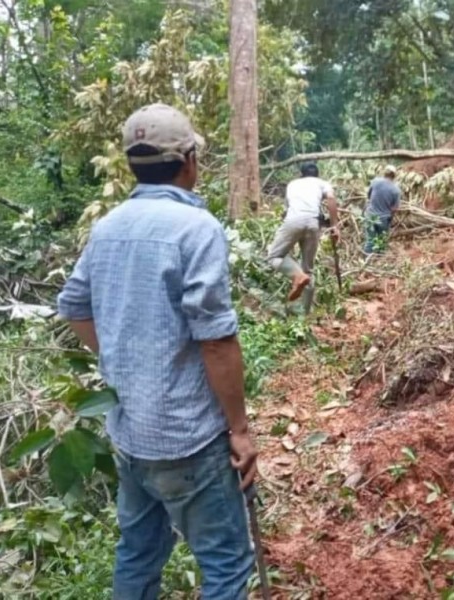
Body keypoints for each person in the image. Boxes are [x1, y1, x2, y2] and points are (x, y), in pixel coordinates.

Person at [56, 103, 257, 600]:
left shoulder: (106, 228)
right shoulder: (196, 229)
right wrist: (240, 429)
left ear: (131, 165)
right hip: (187, 437)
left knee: (139, 552)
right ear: (189, 159)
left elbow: (74, 305)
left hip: (130, 433)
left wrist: (120, 358)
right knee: (227, 565)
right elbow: (215, 339)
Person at [267, 161, 339, 311]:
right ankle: (305, 315)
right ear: (317, 174)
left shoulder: (293, 184)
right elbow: (331, 198)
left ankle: (297, 276)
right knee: (308, 270)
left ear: (301, 174)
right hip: (313, 224)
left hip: (293, 220)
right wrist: (334, 225)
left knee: (274, 256)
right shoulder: (322, 183)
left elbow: (287, 211)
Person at [364, 164, 401, 255]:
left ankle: (366, 262)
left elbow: (369, 195)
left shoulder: (375, 182)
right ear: (394, 176)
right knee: (381, 241)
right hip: (383, 219)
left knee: (370, 240)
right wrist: (390, 218)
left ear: (384, 173)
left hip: (370, 215)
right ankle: (379, 261)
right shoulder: (396, 190)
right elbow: (394, 208)